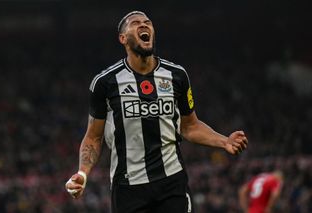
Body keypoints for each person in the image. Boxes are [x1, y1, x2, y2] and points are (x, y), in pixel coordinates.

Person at [65, 10, 248, 213]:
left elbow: (190, 126)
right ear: (123, 38)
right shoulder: (105, 83)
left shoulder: (177, 75)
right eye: (135, 23)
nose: (144, 25)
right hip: (128, 188)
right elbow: (93, 137)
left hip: (171, 183)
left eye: (148, 22)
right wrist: (82, 173)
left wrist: (225, 141)